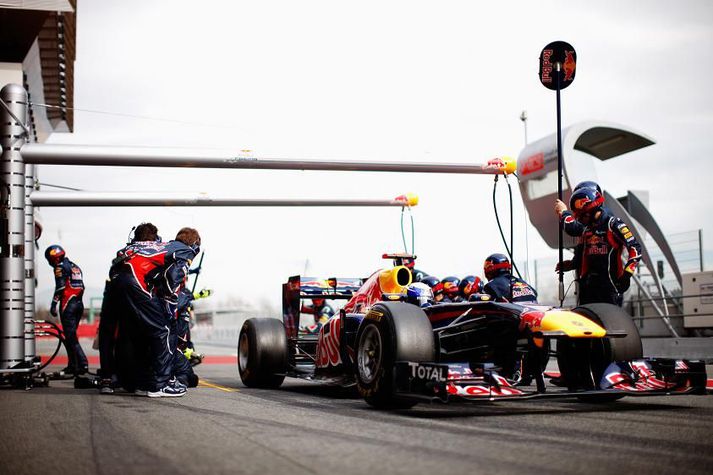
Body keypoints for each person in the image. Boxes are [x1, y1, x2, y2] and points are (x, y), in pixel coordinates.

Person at [110, 226, 201, 397]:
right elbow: (173, 279)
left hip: (117, 279)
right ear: (195, 245)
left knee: (135, 332)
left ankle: (135, 381)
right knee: (165, 330)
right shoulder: (185, 250)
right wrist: (170, 306)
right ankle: (162, 384)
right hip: (136, 281)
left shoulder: (161, 245)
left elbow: (122, 255)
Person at [98, 222, 160, 394]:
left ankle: (107, 379)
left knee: (107, 335)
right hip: (136, 295)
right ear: (153, 237)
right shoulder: (155, 249)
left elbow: (113, 269)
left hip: (113, 292)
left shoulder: (125, 250)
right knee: (136, 335)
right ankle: (139, 380)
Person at [555, 185, 642, 306]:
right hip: (587, 290)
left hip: (610, 290)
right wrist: (571, 264)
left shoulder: (613, 224)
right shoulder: (586, 229)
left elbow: (635, 248)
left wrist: (626, 275)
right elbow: (581, 254)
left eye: (582, 215)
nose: (580, 219)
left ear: (591, 209)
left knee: (608, 325)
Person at [45, 245, 89, 376]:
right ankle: (73, 365)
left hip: (68, 305)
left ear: (53, 258)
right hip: (79, 304)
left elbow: (60, 287)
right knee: (70, 337)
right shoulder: (75, 266)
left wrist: (53, 304)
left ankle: (83, 364)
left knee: (71, 338)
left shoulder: (59, 267)